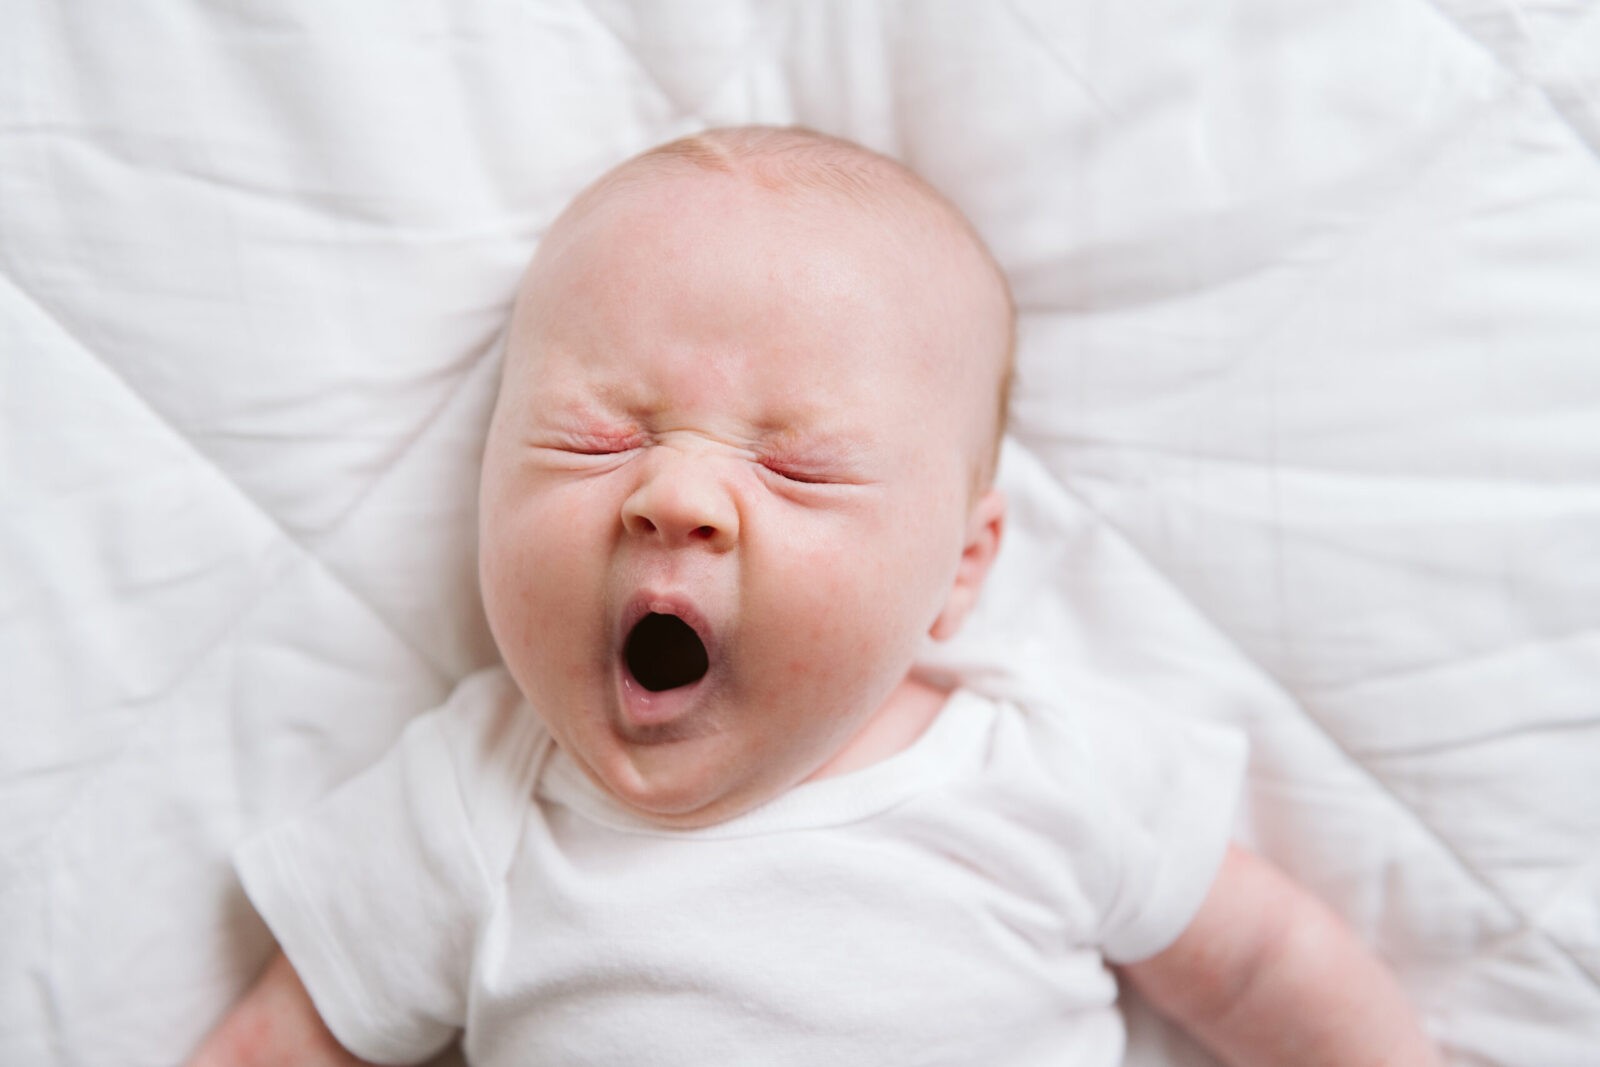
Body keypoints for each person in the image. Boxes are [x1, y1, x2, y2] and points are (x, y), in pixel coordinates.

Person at [190, 126, 1438, 1066]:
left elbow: (1266, 960)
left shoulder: (1043, 770)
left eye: (796, 465)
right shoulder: (475, 796)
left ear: (959, 566)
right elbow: (282, 1039)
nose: (676, 494)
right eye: (592, 438)